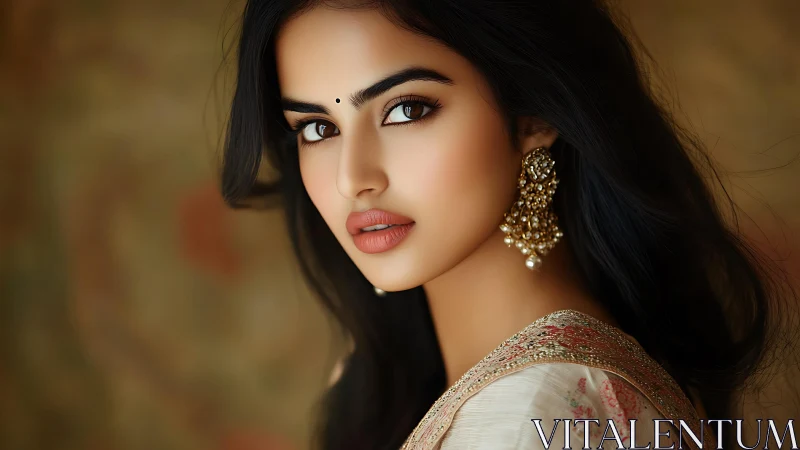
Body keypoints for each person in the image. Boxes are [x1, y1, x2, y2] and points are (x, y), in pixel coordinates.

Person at [218, 1, 799, 448]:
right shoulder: (547, 386)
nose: (353, 178)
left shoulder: (529, 418)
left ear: (532, 115)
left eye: (406, 109)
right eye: (317, 128)